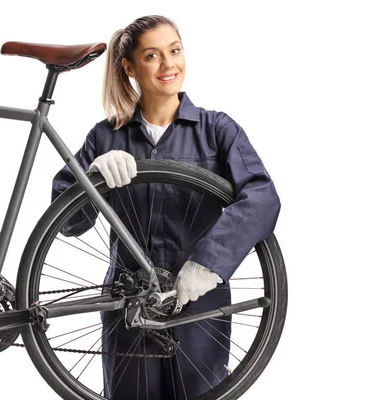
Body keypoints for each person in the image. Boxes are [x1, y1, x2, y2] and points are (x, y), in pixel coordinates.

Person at [51, 15, 281, 400]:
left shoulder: (217, 130)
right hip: (128, 302)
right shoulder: (106, 135)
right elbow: (68, 222)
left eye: (174, 51)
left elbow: (262, 197)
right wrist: (89, 179)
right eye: (153, 55)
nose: (168, 64)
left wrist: (209, 262)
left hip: (199, 303)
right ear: (129, 67)